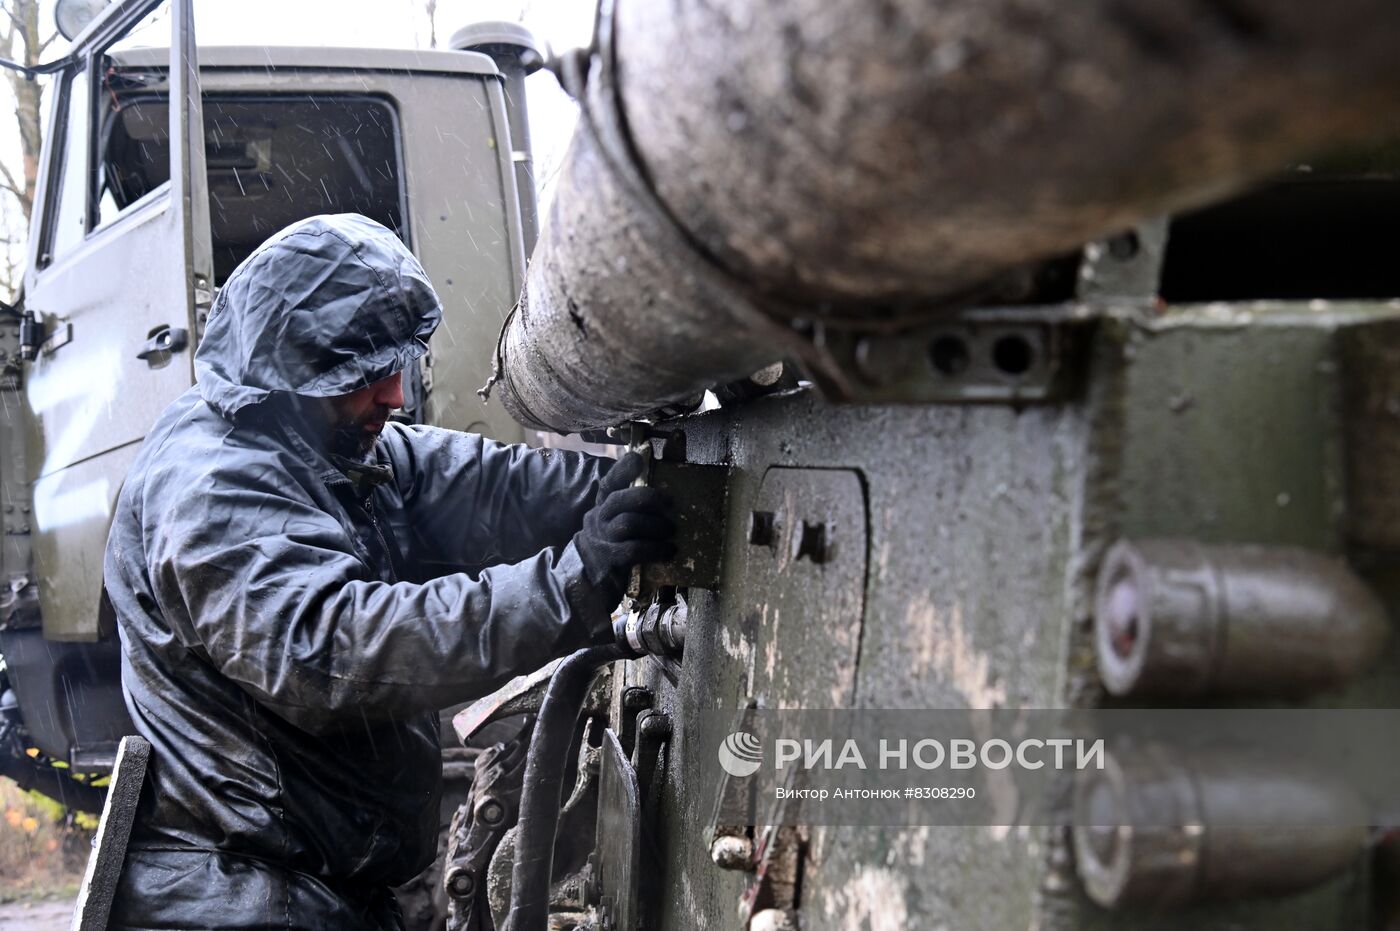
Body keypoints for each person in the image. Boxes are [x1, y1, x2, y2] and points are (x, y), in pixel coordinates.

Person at [101, 213, 673, 929]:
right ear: (289, 370)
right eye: (365, 377)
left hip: (311, 887)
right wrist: (574, 581)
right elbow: (343, 651)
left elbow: (481, 487)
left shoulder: (315, 441)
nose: (394, 396)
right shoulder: (212, 491)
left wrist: (616, 492)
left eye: (395, 366)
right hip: (238, 904)